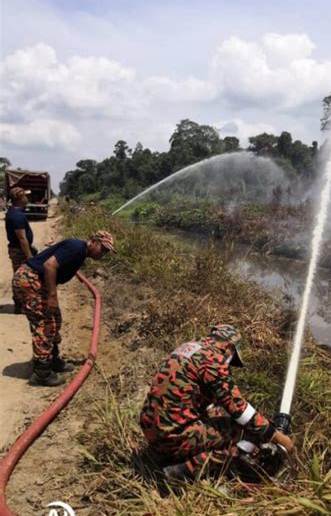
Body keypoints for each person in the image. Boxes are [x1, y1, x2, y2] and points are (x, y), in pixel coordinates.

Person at [140, 324, 294, 480]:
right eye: (232, 355)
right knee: (243, 434)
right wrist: (278, 437)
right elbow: (239, 410)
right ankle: (180, 472)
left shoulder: (188, 348)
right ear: (228, 347)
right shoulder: (214, 359)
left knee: (218, 414)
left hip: (153, 429)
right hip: (172, 436)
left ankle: (170, 455)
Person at [13, 230, 116, 386]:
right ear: (93, 241)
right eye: (103, 249)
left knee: (55, 319)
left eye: (107, 252)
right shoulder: (76, 247)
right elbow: (49, 266)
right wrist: (52, 296)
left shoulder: (80, 252)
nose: (104, 254)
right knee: (44, 324)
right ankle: (42, 373)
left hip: (35, 281)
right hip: (29, 280)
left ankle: (53, 359)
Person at [5, 186, 35, 314]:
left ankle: (21, 303)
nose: (27, 198)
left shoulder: (16, 213)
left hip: (18, 250)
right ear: (19, 198)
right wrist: (29, 256)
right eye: (25, 195)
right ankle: (20, 304)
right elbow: (22, 239)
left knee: (21, 276)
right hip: (19, 251)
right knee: (21, 277)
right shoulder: (16, 216)